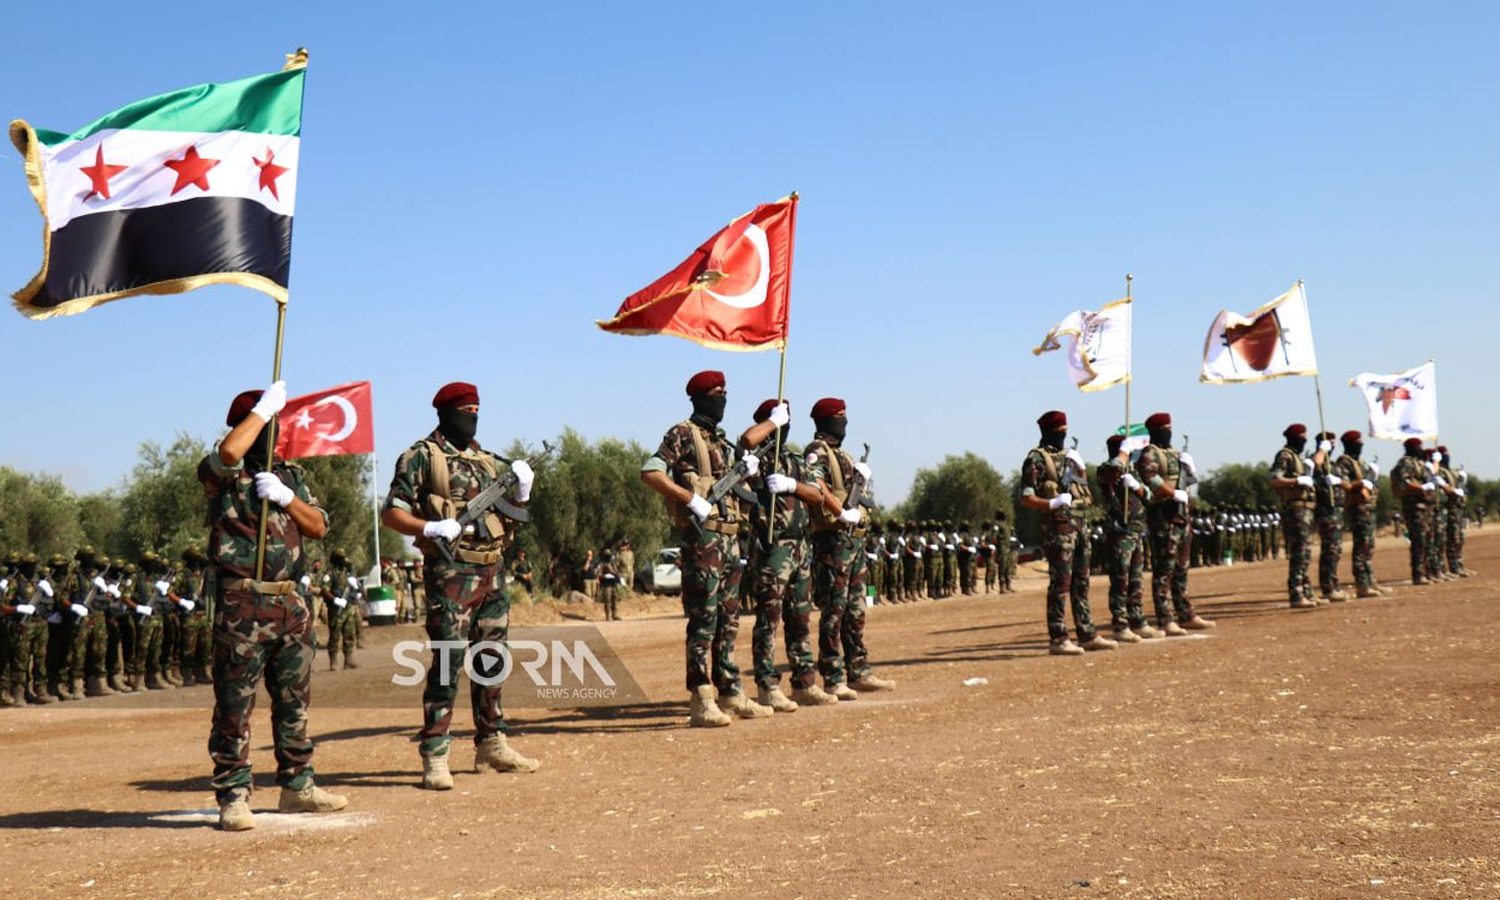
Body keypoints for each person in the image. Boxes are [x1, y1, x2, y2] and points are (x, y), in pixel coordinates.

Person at [200, 381, 347, 831]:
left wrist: (287, 497)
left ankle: (298, 786)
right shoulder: (221, 474)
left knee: (294, 704)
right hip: (242, 603)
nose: (275, 432)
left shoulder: (291, 475)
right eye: (268, 423)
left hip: (291, 605)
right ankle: (233, 795)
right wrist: (262, 409)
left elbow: (319, 526)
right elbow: (228, 454)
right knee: (235, 704)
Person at [383, 381, 541, 789]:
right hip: (451, 573)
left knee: (492, 660)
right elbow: (393, 513)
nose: (471, 416)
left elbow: (511, 519)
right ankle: (436, 752)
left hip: (492, 571)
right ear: (444, 412)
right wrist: (431, 526)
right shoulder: (421, 456)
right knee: (448, 664)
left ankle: (492, 742)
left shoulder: (488, 462)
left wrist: (522, 492)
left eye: (476, 409)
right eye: (464, 410)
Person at [640, 371, 770, 726]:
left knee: (729, 620)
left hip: (729, 539)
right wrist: (689, 499)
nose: (723, 398)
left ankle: (730, 691)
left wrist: (746, 471)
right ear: (699, 398)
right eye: (717, 393)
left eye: (725, 392)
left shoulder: (722, 442)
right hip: (702, 540)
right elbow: (651, 471)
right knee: (704, 620)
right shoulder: (682, 433)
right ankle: (701, 697)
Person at [740, 398, 833, 711]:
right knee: (769, 620)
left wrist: (792, 485)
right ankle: (767, 686)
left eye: (787, 418)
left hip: (800, 547)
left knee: (800, 618)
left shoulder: (793, 460)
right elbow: (746, 440)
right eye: (781, 418)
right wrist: (771, 423)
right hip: (772, 548)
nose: (787, 423)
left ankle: (805, 682)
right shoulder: (757, 458)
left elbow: (818, 495)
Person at [802, 398, 897, 697]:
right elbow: (816, 484)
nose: (843, 421)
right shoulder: (816, 451)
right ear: (824, 420)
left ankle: (859, 669)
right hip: (832, 539)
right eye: (838, 416)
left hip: (853, 541)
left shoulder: (842, 454)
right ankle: (833, 675)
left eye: (845, 415)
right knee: (834, 609)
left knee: (855, 610)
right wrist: (840, 511)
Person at [1018, 411, 1116, 655]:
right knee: (1061, 582)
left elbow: (1087, 494)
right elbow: (1026, 497)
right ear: (1049, 432)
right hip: (1058, 529)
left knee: (1081, 582)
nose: (1063, 436)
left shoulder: (1070, 458)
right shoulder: (1036, 459)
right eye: (1059, 432)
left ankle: (1087, 633)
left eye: (1065, 432)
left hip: (1080, 526)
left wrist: (1081, 469)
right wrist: (1051, 504)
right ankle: (1059, 637)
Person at [1133, 412, 1216, 633]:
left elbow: (1189, 482)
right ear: (1156, 431)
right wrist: (1172, 493)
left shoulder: (1176, 454)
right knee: (1164, 569)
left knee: (1181, 568)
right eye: (1165, 428)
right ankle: (1165, 618)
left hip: (1181, 517)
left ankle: (1186, 614)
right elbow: (1150, 477)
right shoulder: (1150, 453)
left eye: (1170, 427)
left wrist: (1190, 470)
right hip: (1163, 517)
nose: (1169, 432)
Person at [1097, 434, 1161, 641]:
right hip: (1119, 532)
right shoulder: (1106, 470)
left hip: (1136, 529)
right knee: (1120, 580)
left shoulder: (1133, 473)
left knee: (1136, 579)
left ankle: (1137, 620)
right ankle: (1120, 624)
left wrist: (1137, 486)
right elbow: (1113, 470)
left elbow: (1151, 497)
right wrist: (1122, 457)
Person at [1269, 423, 1328, 609]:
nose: (1304, 440)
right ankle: (1296, 593)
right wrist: (1297, 480)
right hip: (1295, 510)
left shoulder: (1298, 458)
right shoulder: (1285, 455)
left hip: (1306, 509)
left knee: (1305, 552)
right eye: (1302, 437)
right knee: (1299, 552)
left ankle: (1306, 591)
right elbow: (1274, 479)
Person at [1334, 430, 1385, 598]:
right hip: (1357, 508)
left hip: (1368, 507)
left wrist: (1372, 479)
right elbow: (1344, 483)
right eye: (1357, 442)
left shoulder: (1360, 462)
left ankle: (1370, 581)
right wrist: (1360, 483)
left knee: (1368, 546)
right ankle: (1362, 584)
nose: (1360, 445)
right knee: (1361, 546)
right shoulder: (1344, 461)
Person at [1311, 431, 1351, 602]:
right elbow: (1315, 464)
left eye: (1334, 444)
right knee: (1329, 550)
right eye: (1330, 444)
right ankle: (1328, 587)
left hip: (1337, 511)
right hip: (1325, 510)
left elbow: (1348, 484)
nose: (1333, 446)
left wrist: (1338, 481)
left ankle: (1333, 584)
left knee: (1335, 550)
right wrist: (1321, 451)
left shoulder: (1334, 465)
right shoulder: (1315, 460)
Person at [1390, 438, 1435, 584]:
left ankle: (1428, 572)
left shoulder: (1419, 463)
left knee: (1427, 540)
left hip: (1425, 506)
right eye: (1418, 446)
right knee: (1418, 540)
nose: (1420, 448)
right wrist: (1422, 488)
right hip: (1414, 507)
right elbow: (1404, 482)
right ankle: (1418, 574)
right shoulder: (1406, 462)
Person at [323, 549, 360, 671]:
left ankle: (349, 660)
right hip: (336, 609)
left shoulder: (349, 572)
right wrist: (335, 600)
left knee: (350, 634)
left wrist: (356, 586)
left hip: (349, 607)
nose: (344, 560)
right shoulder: (330, 573)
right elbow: (324, 590)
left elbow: (357, 587)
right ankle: (334, 662)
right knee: (335, 635)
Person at [597, 550, 621, 621]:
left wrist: (616, 576)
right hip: (606, 584)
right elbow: (598, 574)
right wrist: (604, 575)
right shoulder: (601, 564)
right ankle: (608, 615)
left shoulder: (613, 564)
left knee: (614, 599)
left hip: (613, 583)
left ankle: (614, 614)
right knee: (607, 600)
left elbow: (616, 572)